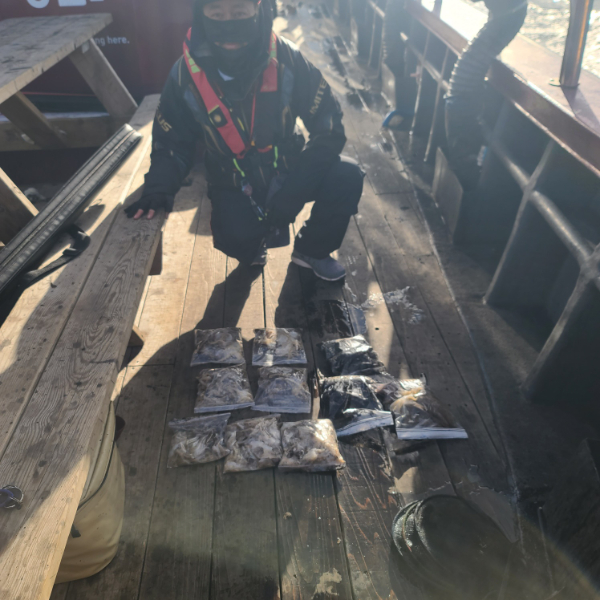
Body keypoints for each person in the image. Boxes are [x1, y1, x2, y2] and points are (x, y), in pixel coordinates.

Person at [125, 0, 364, 281]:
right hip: (232, 181)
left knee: (347, 175)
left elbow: (329, 126)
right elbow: (171, 141)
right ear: (201, 15)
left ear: (258, 10)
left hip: (288, 170)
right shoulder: (183, 74)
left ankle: (312, 250)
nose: (229, 24)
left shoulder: (288, 58)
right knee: (238, 241)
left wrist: (295, 191)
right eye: (216, 13)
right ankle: (251, 243)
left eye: (239, 12)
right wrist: (158, 188)